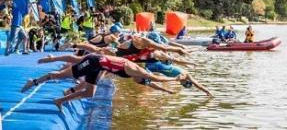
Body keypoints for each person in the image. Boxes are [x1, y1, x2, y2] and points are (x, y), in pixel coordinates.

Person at [21, 53, 186, 111]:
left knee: (89, 93)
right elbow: (155, 78)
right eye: (141, 82)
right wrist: (174, 79)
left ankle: (60, 101)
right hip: (93, 62)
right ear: (141, 76)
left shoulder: (136, 75)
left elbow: (151, 82)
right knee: (60, 75)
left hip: (97, 67)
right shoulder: (137, 71)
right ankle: (34, 81)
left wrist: (168, 90)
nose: (139, 83)